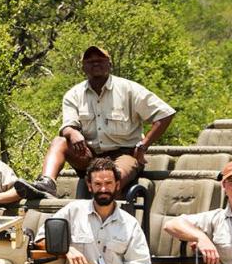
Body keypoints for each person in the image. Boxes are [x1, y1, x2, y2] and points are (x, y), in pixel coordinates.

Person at [32, 46, 175, 197]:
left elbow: (165, 114)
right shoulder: (73, 94)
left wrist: (144, 145)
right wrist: (72, 132)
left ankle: (109, 213)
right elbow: (67, 125)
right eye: (90, 61)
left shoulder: (129, 89)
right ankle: (47, 183)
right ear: (83, 67)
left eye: (100, 60)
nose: (95, 64)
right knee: (60, 141)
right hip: (89, 155)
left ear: (109, 64)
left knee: (109, 179)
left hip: (124, 154)